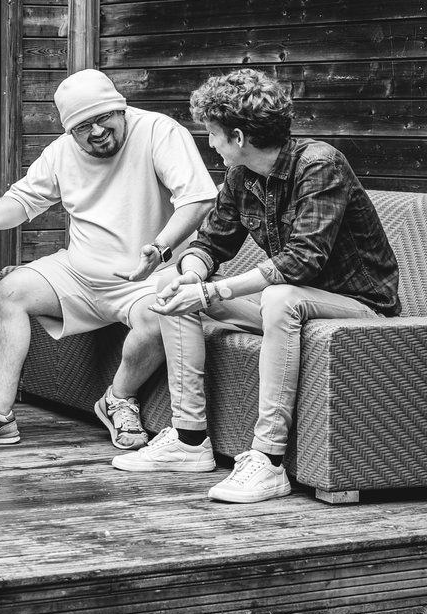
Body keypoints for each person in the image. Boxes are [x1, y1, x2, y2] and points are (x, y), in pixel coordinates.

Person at [115, 69, 399, 503]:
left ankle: (268, 461)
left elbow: (302, 260)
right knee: (172, 282)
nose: (210, 143)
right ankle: (189, 440)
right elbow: (211, 243)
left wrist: (213, 291)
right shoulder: (241, 175)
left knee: (279, 296)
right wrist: (192, 274)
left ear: (238, 136)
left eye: (212, 133)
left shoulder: (319, 165)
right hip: (289, 307)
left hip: (360, 308)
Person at [0, 69, 216, 448]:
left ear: (121, 108)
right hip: (79, 275)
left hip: (148, 278)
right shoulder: (61, 152)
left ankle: (118, 398)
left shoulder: (159, 132)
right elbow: (23, 199)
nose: (97, 132)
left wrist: (161, 248)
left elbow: (198, 199)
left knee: (163, 315)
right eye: (83, 127)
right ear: (69, 131)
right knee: (12, 290)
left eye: (104, 118)